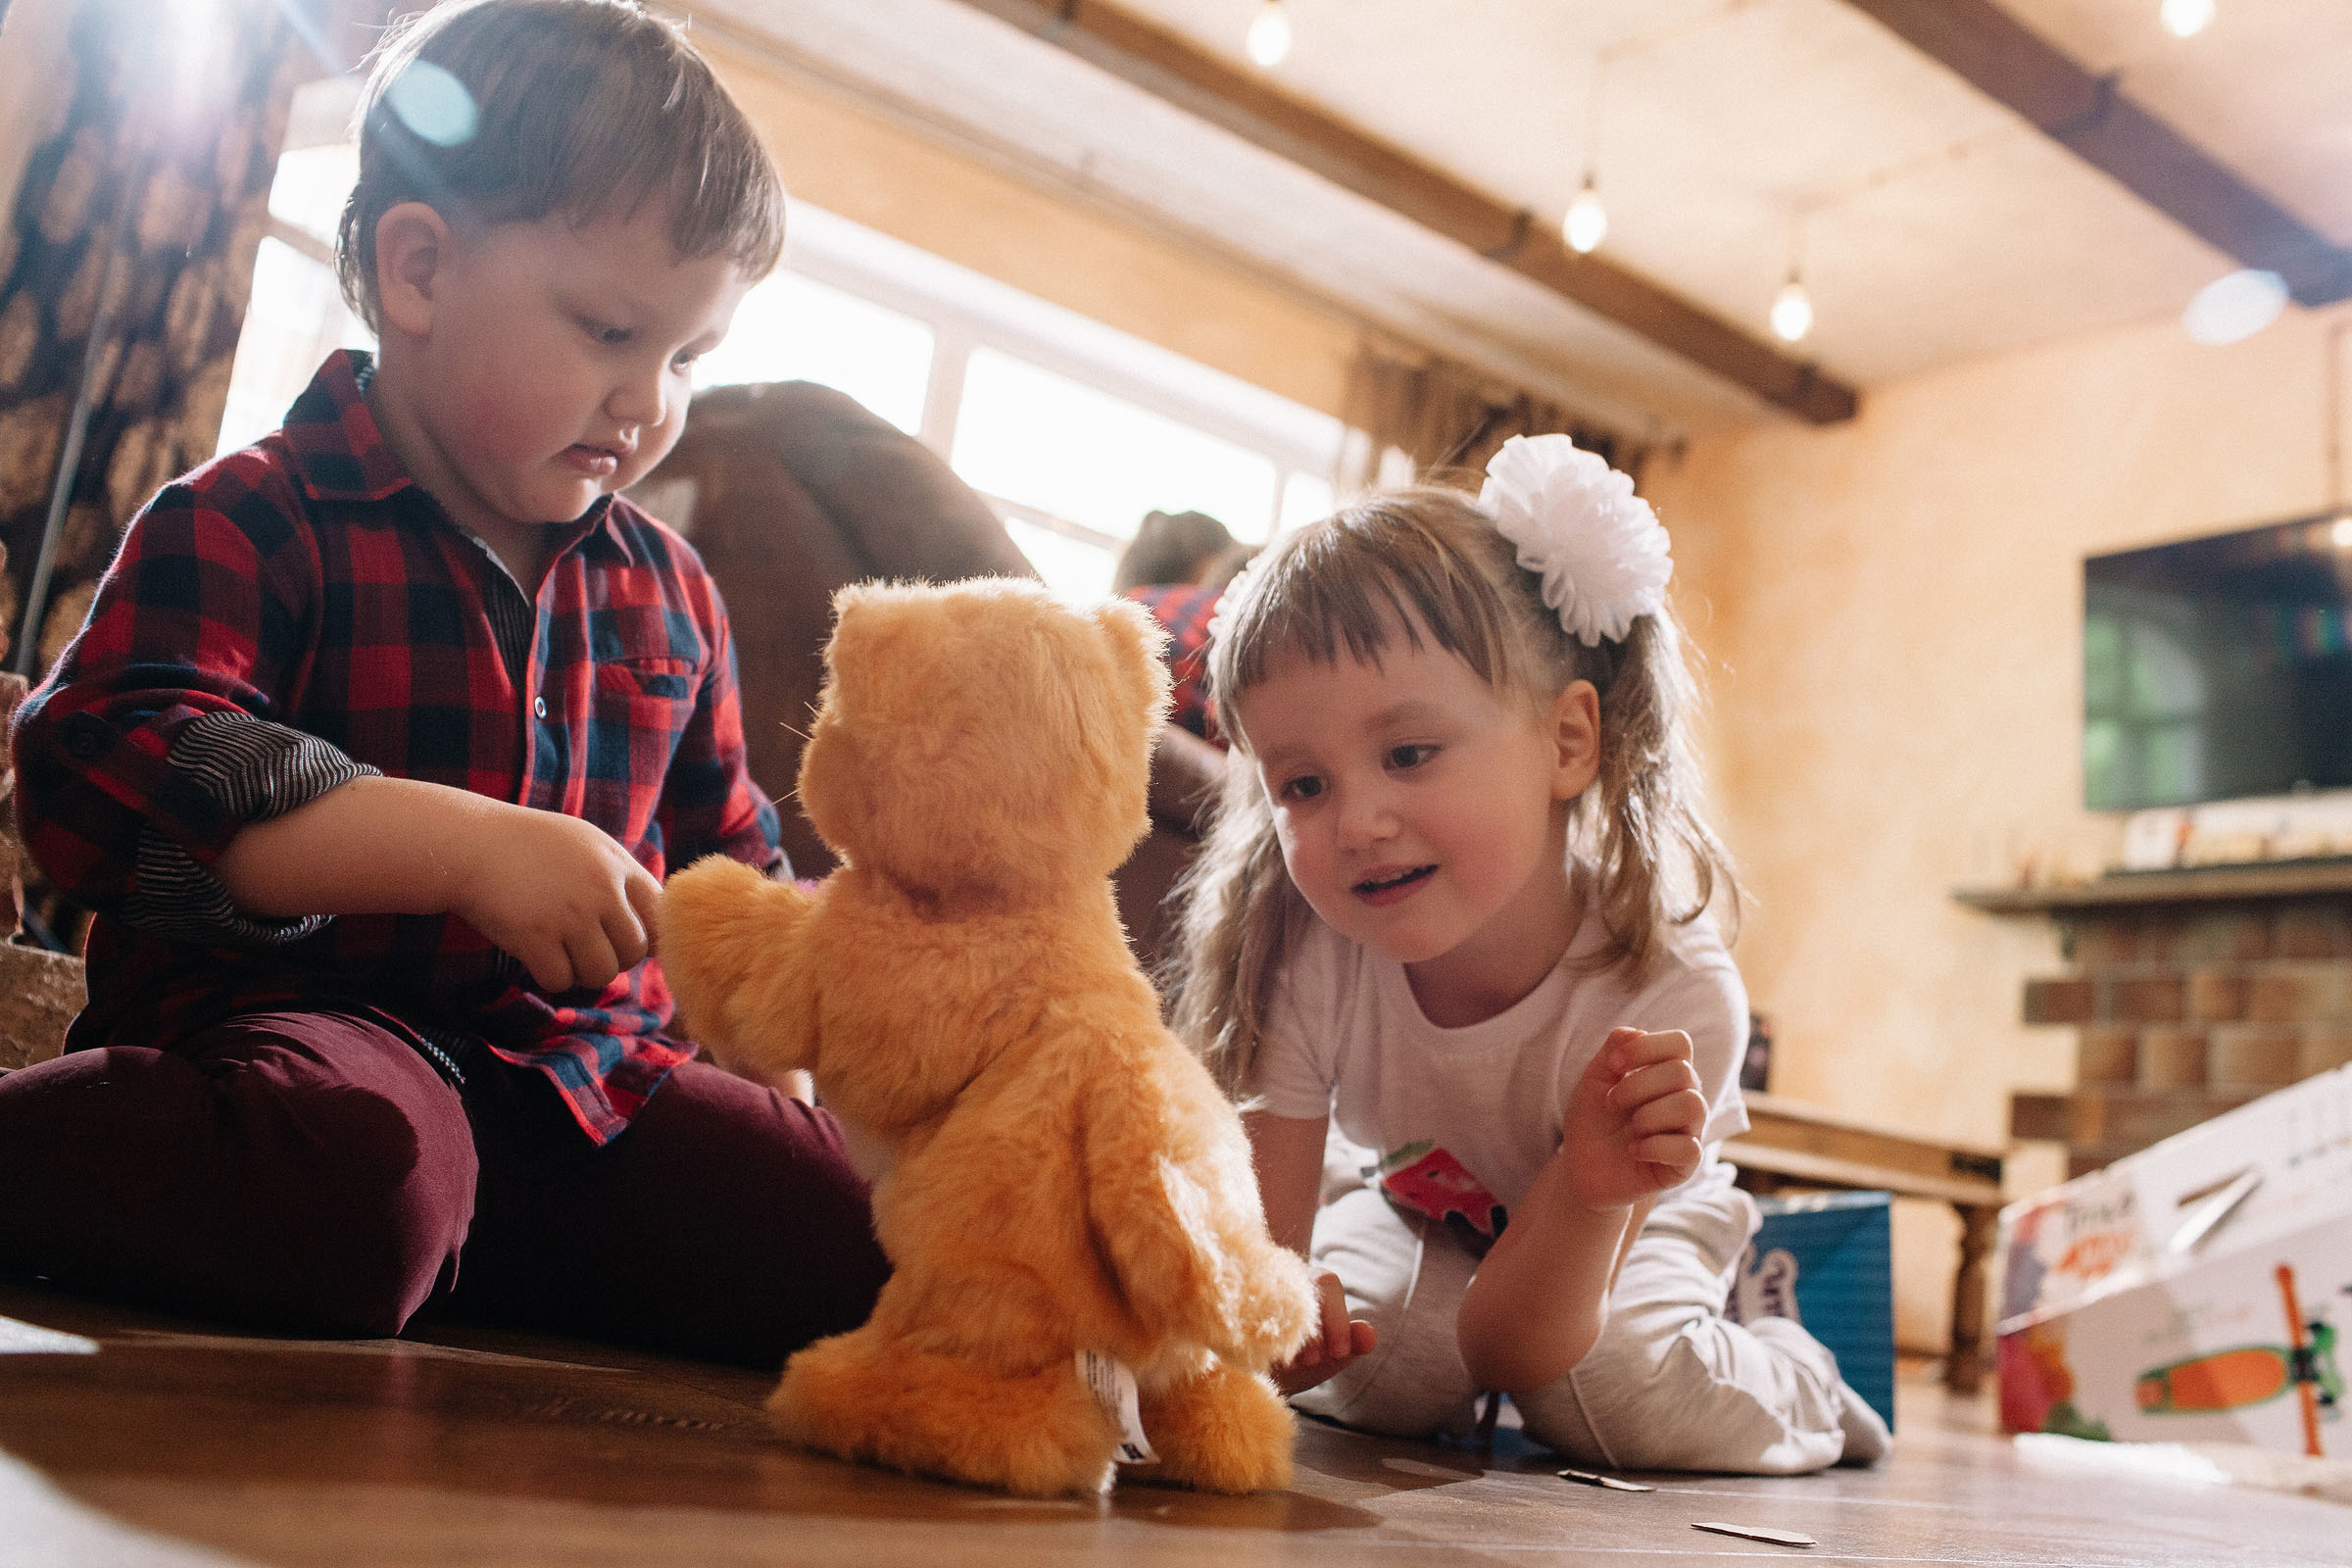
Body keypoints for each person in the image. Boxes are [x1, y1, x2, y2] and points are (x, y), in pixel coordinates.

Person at [0, 0, 889, 1368]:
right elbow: (97, 768)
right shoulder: (252, 517)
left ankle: (446, 1253)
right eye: (609, 330)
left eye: (688, 358)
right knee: (360, 1176)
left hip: (585, 1085)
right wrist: (465, 851)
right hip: (312, 1040)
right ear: (418, 271)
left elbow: (735, 880)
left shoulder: (672, 591)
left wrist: (790, 1094)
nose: (650, 402)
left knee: (877, 1243)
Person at [1168, 435, 1887, 1473]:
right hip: (1415, 1208)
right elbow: (1262, 1279)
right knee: (1380, 1371)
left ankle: (1800, 1378)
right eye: (1303, 785)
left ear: (1567, 740)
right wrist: (1278, 1324)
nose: (1358, 821)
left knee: (1600, 1390)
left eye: (1409, 754)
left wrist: (1589, 1189)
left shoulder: (1671, 992)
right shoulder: (1303, 946)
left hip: (1622, 1216)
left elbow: (1521, 1348)